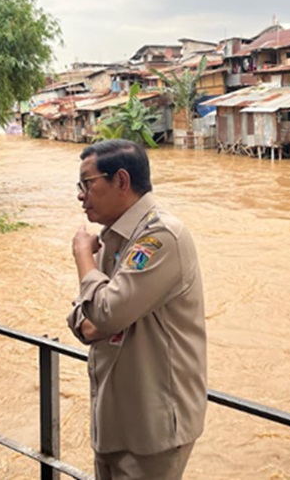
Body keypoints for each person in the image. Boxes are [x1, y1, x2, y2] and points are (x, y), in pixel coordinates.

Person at [66, 139, 207, 480]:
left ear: (122, 181)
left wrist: (83, 255)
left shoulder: (160, 237)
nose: (81, 195)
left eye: (88, 184)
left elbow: (105, 313)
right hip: (113, 416)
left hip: (152, 425)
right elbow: (85, 317)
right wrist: (97, 313)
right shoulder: (113, 237)